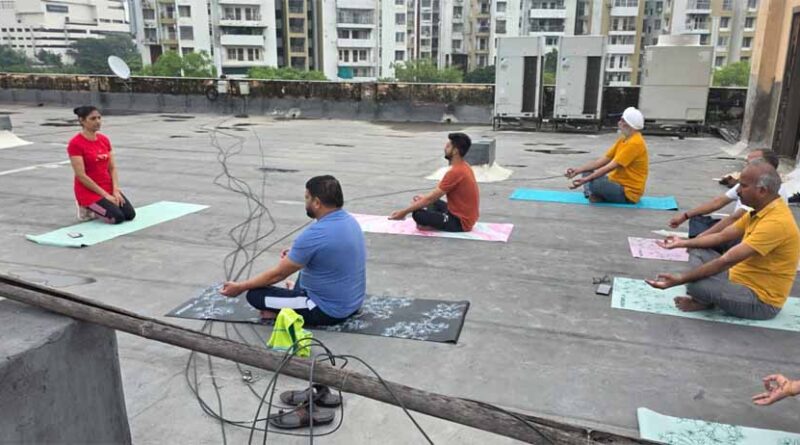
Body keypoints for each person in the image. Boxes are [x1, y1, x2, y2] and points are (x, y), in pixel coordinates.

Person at [647, 160, 800, 320]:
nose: (738, 191)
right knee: (698, 248)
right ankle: (706, 296)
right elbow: (721, 236)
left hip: (760, 301)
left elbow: (726, 261)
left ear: (762, 191)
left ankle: (704, 297)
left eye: (743, 186)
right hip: (736, 278)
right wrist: (682, 242)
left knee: (694, 284)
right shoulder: (760, 210)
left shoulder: (776, 222)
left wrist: (680, 279)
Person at [220, 175, 366, 326]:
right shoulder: (350, 221)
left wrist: (240, 287)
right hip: (352, 303)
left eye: (307, 198)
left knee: (255, 295)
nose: (305, 202)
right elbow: (331, 251)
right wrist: (296, 252)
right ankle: (292, 299)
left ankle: (282, 312)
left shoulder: (315, 234)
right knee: (304, 265)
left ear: (317, 203)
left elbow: (277, 275)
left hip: (326, 311)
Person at [667, 149, 787, 253]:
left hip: (746, 236)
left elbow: (735, 219)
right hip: (737, 228)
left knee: (705, 246)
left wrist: (698, 240)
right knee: (698, 220)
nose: (739, 191)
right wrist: (685, 216)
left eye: (750, 163)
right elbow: (718, 202)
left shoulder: (769, 192)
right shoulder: (750, 183)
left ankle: (708, 247)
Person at [389, 132, 479, 232]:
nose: (445, 148)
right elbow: (432, 197)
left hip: (460, 222)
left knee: (418, 214)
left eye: (448, 146)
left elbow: (430, 198)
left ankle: (431, 225)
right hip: (462, 215)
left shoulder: (455, 172)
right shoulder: (464, 166)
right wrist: (423, 199)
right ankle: (433, 221)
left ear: (455, 151)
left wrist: (403, 212)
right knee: (427, 202)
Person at [565, 107, 649, 204]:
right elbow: (603, 160)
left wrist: (585, 180)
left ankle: (593, 193)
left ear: (630, 125)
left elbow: (609, 167)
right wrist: (578, 170)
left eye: (622, 120)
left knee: (596, 182)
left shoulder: (635, 143)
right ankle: (594, 194)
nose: (619, 123)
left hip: (627, 192)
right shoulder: (624, 139)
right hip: (616, 183)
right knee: (587, 171)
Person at [68, 106, 136, 224]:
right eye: (93, 119)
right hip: (89, 191)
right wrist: (105, 195)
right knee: (117, 218)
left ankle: (102, 206)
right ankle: (87, 206)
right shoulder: (75, 144)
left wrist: (115, 190)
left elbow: (112, 168)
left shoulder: (104, 140)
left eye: (99, 118)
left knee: (129, 215)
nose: (98, 121)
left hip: (107, 186)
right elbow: (81, 175)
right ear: (82, 120)